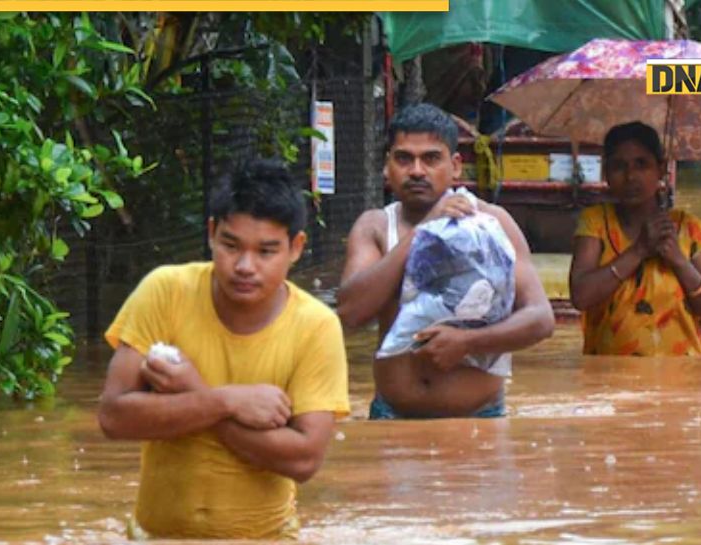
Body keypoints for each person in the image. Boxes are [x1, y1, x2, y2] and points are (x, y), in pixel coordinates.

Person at [97, 158, 350, 539]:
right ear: (212, 233)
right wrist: (225, 401)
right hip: (154, 536)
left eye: (266, 251)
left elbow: (305, 459)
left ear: (296, 248)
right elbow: (114, 417)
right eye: (231, 245)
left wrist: (194, 391)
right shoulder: (165, 291)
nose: (245, 266)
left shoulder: (316, 327)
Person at [338, 103, 554, 419]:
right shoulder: (375, 227)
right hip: (393, 416)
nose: (416, 171)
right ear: (387, 167)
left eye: (430, 158)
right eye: (403, 159)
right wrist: (422, 233)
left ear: (455, 166)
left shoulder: (493, 223)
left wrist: (468, 342)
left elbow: (541, 319)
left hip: (481, 417)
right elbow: (349, 313)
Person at [569, 121, 701, 356]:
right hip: (612, 379)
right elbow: (581, 297)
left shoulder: (688, 227)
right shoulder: (596, 223)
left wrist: (679, 261)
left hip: (686, 377)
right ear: (605, 172)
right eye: (619, 166)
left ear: (661, 169)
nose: (631, 176)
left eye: (642, 164)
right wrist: (639, 250)